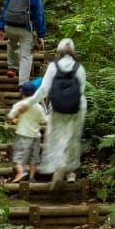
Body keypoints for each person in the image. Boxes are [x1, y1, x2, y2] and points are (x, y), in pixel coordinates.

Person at [14, 38, 86, 189]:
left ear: (59, 52)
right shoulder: (79, 68)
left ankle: (59, 166)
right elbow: (81, 91)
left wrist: (27, 103)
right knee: (72, 139)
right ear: (73, 52)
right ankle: (70, 172)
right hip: (77, 108)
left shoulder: (54, 67)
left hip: (58, 108)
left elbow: (42, 91)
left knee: (57, 139)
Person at [0, 0, 46, 86]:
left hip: (9, 27)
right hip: (25, 29)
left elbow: (4, 11)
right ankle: (23, 84)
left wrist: (0, 28)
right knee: (26, 56)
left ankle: (11, 68)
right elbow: (39, 17)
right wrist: (40, 36)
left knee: (11, 43)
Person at [7, 81, 48, 183]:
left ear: (22, 92)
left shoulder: (20, 104)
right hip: (36, 136)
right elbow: (43, 120)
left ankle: (21, 172)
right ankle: (32, 177)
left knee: (18, 157)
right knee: (34, 158)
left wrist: (18, 114)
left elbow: (11, 116)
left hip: (23, 134)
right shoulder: (38, 106)